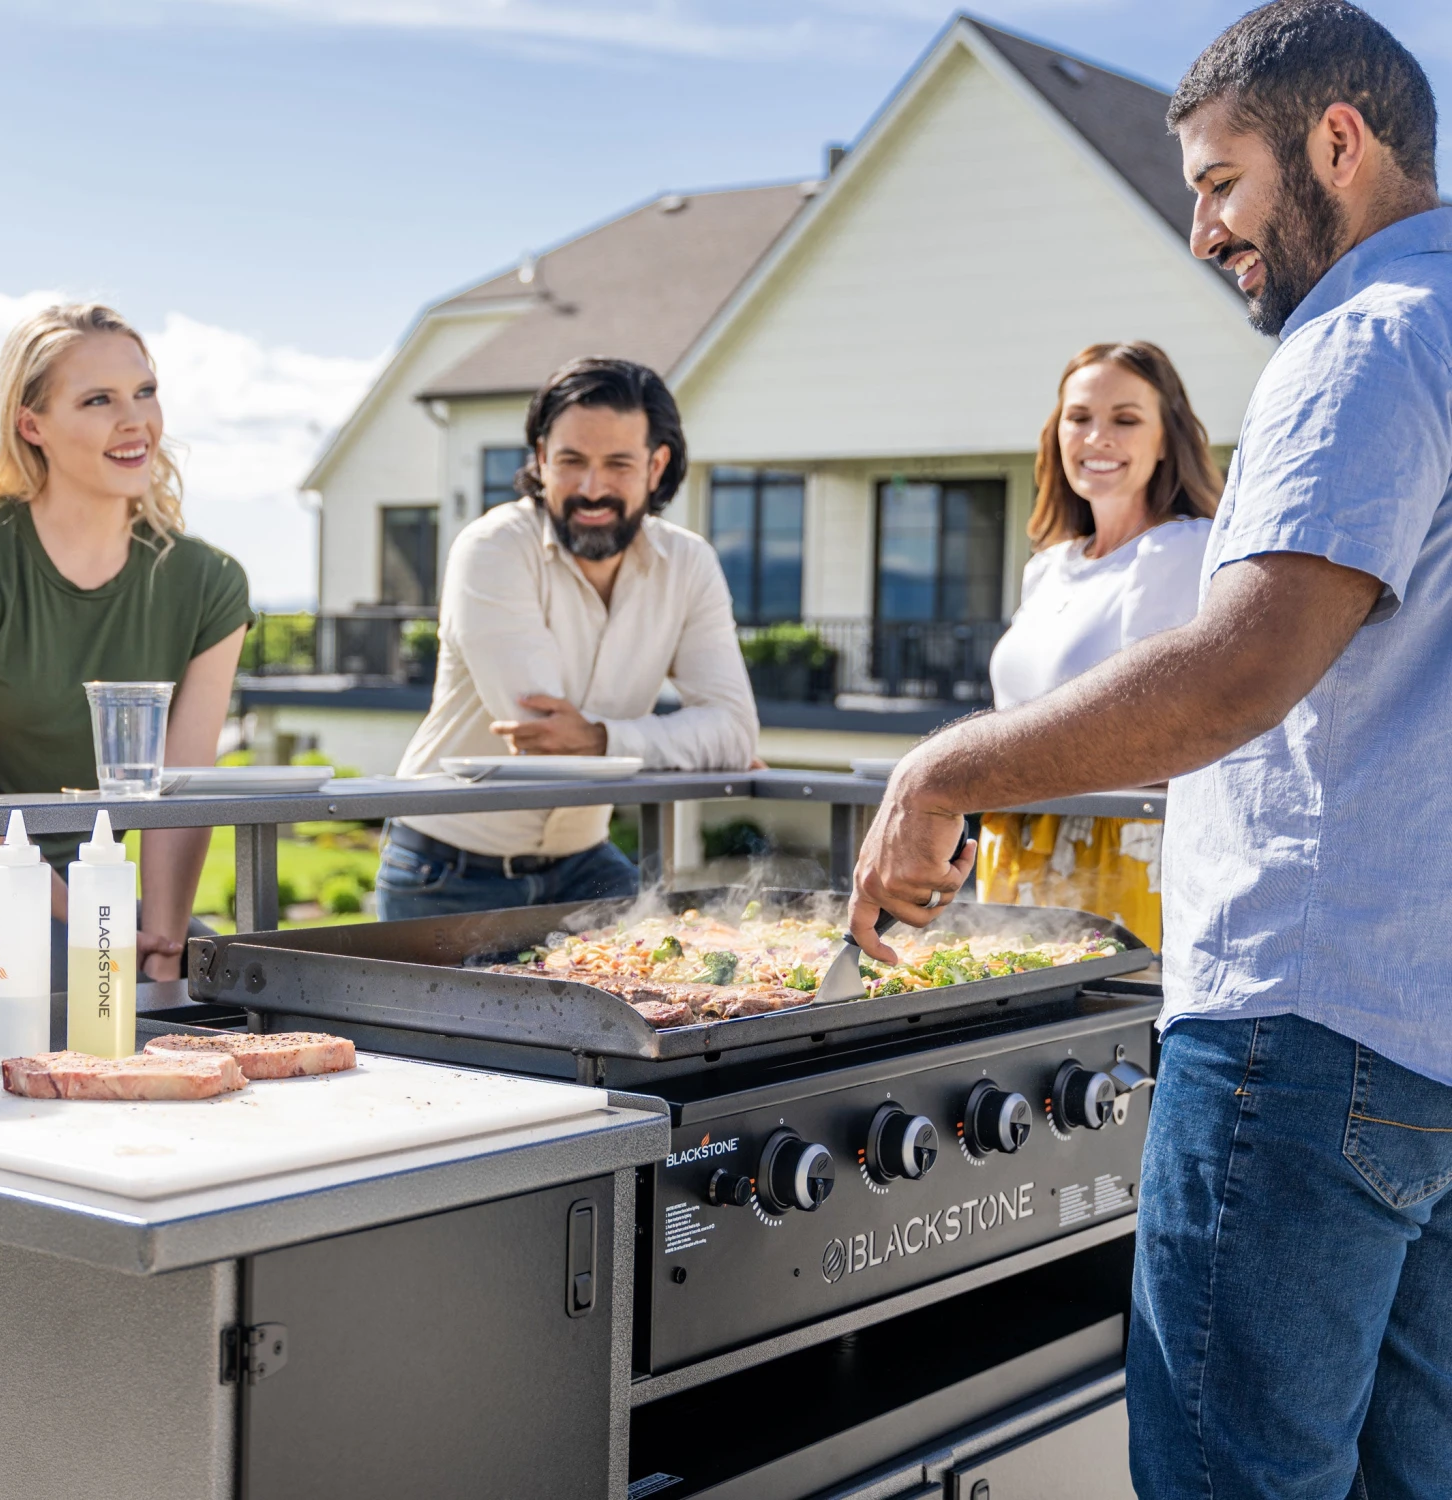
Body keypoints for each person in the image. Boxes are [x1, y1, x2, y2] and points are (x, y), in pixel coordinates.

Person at [848, 3, 1452, 1494]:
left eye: (1220, 182)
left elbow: (1244, 665)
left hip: (1309, 1024)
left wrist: (943, 773)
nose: (1203, 231)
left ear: (1338, 142)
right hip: (1431, 1035)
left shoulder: (1363, 340)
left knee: (1226, 1474)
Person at [379, 357, 758, 919]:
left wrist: (603, 738)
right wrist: (681, 743)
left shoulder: (690, 562)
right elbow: (544, 739)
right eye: (571, 461)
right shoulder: (492, 548)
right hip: (446, 873)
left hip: (586, 863)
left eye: (618, 464)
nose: (592, 488)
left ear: (657, 466)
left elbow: (734, 730)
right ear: (540, 459)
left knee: (692, 986)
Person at [0, 304, 252, 999]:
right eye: (98, 400)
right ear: (32, 426)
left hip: (107, 893)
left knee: (243, 987)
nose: (135, 421)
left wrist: (164, 942)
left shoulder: (209, 583)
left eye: (144, 392)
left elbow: (179, 791)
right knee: (69, 977)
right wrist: (91, 921)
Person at [979, 342, 1222, 949]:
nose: (1097, 437)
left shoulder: (1180, 548)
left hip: (1115, 852)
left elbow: (1158, 731)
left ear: (1166, 439)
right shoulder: (1048, 566)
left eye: (1126, 419)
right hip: (1015, 842)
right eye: (1080, 417)